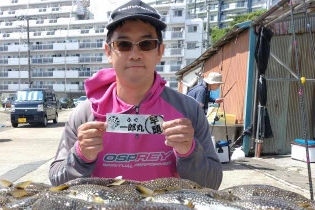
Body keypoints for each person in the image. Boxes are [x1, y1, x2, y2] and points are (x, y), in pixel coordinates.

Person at [49, 0, 223, 189]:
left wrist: (189, 152)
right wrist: (80, 156)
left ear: (160, 51)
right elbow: (56, 180)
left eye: (146, 44)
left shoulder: (188, 110)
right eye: (123, 44)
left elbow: (212, 184)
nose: (135, 54)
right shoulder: (84, 114)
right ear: (108, 51)